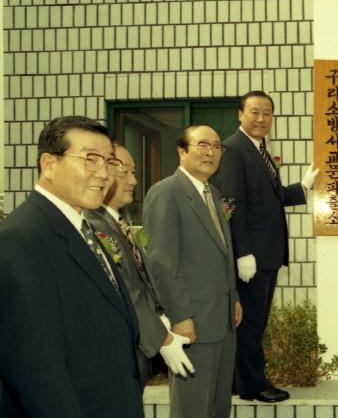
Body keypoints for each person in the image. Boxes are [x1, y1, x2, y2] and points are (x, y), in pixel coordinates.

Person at [0, 116, 144, 417]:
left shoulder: (84, 228)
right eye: (90, 160)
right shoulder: (20, 240)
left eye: (108, 162)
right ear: (49, 164)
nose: (104, 173)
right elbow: (35, 367)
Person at [212, 90, 318, 402]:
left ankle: (237, 381)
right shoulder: (233, 150)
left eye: (267, 113)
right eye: (255, 112)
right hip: (253, 257)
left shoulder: (258, 149)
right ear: (240, 114)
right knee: (251, 323)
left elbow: (269, 198)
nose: (261, 119)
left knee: (252, 321)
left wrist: (303, 188)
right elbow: (231, 202)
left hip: (266, 253)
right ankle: (253, 386)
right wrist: (242, 251)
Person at [144, 125, 242, 418]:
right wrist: (180, 316)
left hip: (221, 320)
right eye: (202, 145)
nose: (210, 152)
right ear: (181, 150)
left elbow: (223, 254)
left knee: (217, 405)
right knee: (192, 407)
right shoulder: (166, 192)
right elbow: (161, 261)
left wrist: (233, 297)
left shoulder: (212, 192)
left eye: (216, 146)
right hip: (192, 323)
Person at [85, 143, 195, 388]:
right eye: (124, 172)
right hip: (119, 348)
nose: (133, 180)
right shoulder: (94, 225)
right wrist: (161, 336)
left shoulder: (115, 221)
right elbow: (127, 289)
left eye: (133, 172)